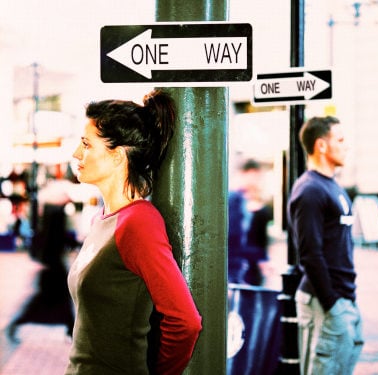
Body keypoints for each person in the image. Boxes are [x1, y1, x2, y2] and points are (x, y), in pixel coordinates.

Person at [65, 90, 202, 375]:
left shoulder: (139, 223)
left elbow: (185, 321)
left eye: (87, 145)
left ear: (117, 156)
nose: (77, 154)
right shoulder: (102, 218)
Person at [287, 116, 364, 375]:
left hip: (344, 299)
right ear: (321, 145)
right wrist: (332, 305)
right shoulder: (309, 190)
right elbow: (309, 254)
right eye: (340, 140)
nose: (346, 146)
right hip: (324, 303)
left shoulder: (333, 188)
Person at [228, 159, 273, 285]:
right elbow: (234, 238)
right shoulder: (235, 200)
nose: (256, 181)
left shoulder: (253, 202)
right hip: (236, 270)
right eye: (254, 176)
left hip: (247, 269)